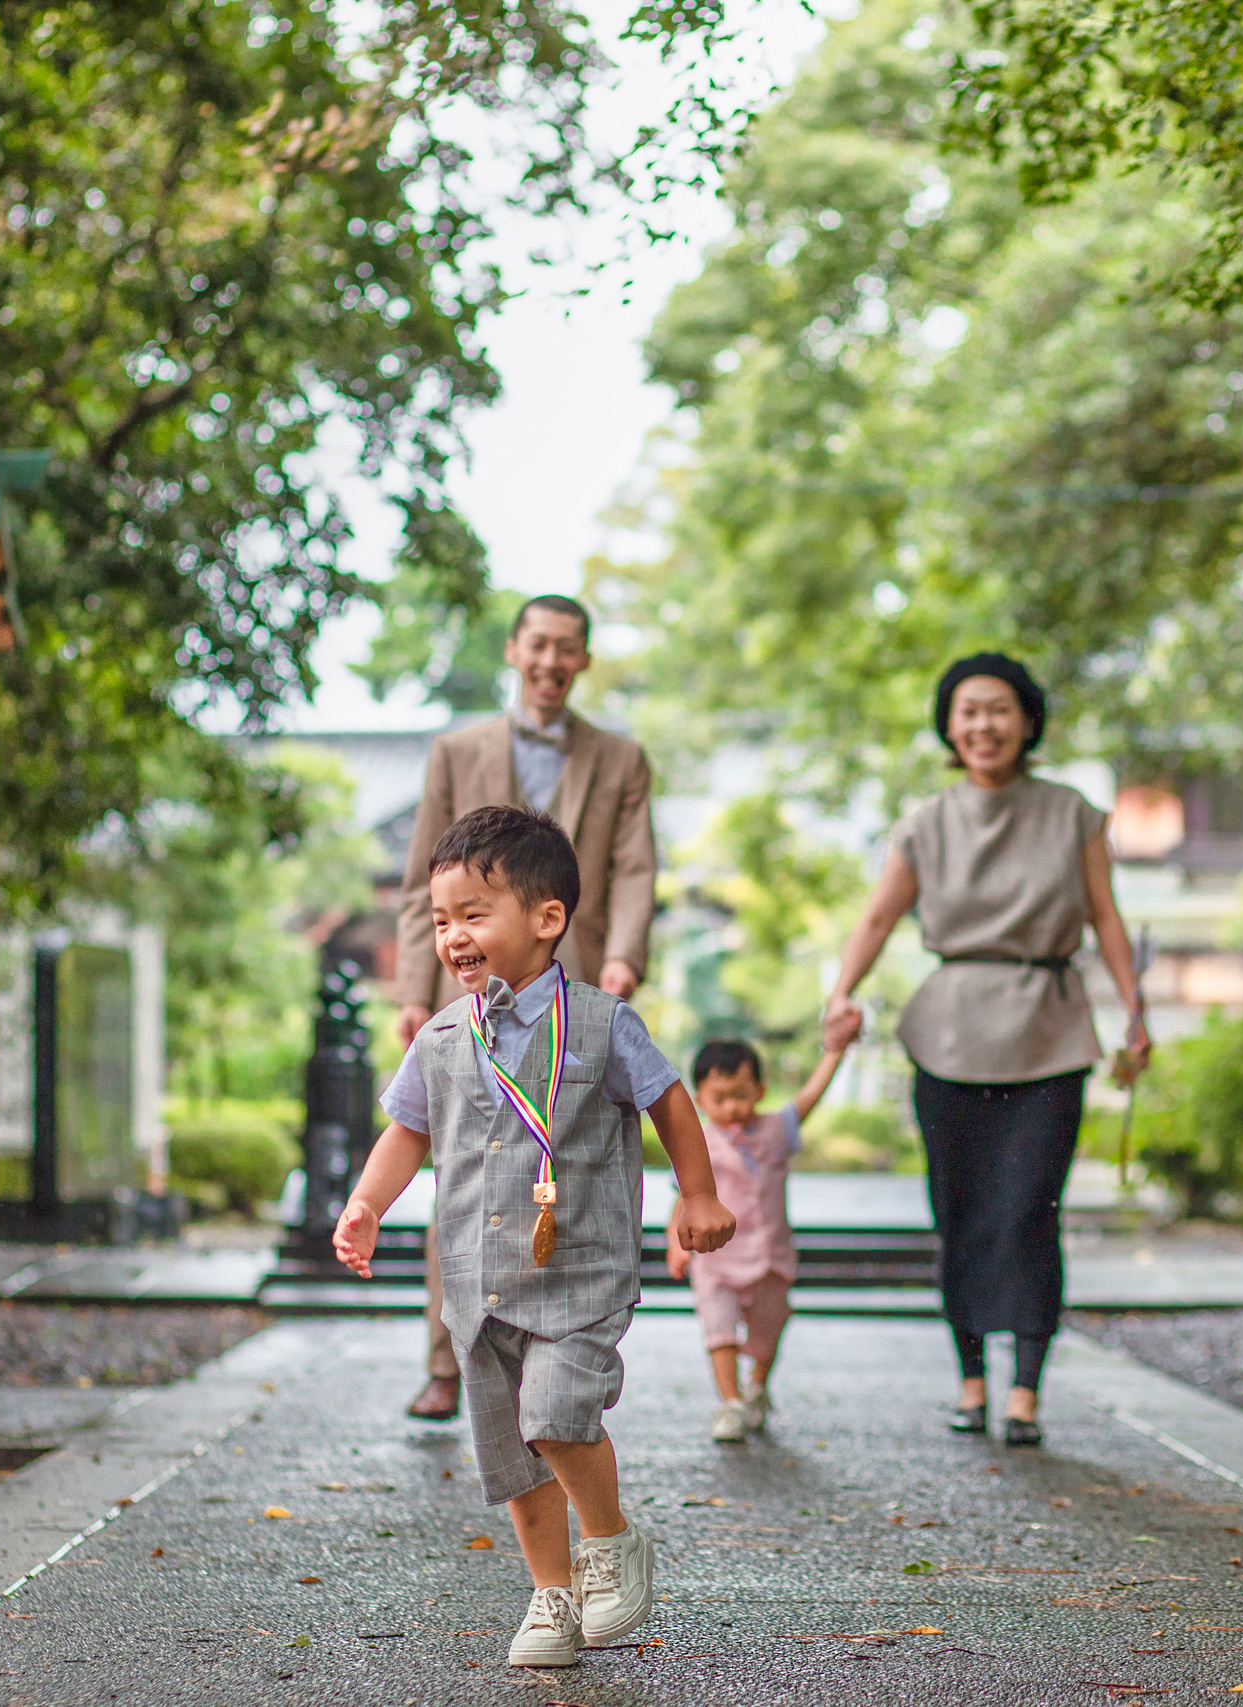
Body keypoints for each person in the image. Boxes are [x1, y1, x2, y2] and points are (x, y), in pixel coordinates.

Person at [336, 806, 733, 1667]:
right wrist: (367, 1202)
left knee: (556, 1414)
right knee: (514, 1457)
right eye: (442, 920)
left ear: (547, 918)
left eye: (474, 914)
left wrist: (695, 1192)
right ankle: (551, 1593)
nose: (453, 936)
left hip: (578, 1272)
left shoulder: (600, 1021)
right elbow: (407, 1130)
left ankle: (611, 1541)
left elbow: (669, 1097)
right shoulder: (444, 1035)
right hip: (479, 1287)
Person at [822, 653, 1150, 1448]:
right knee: (961, 1211)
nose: (983, 725)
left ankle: (1026, 1391)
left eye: (999, 709)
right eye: (967, 711)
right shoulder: (925, 821)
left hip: (1048, 1027)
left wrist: (1133, 1013)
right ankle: (971, 1381)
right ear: (949, 726)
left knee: (1030, 1208)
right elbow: (876, 918)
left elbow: (1106, 918)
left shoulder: (1074, 814)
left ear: (1028, 720)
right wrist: (841, 991)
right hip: (950, 1031)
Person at [393, 594, 659, 1422]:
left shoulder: (621, 756)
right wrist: (413, 991)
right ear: (514, 650)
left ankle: (566, 1343)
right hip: (467, 989)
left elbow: (636, 868)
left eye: (568, 649)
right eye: (538, 644)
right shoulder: (455, 748)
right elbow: (419, 883)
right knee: (464, 1176)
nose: (551, 661)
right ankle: (452, 1356)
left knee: (568, 1166)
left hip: (577, 987)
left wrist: (623, 956)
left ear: (583, 661)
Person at [667, 1036, 847, 1442]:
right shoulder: (699, 1141)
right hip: (715, 1261)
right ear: (700, 1100)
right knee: (719, 1331)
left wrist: (835, 1049)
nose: (732, 1107)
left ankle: (758, 1387)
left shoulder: (777, 1130)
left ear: (760, 1092)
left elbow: (811, 1096)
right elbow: (682, 1198)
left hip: (770, 1258)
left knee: (767, 1335)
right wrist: (676, 1242)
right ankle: (730, 1402)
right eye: (720, 1098)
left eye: (742, 1096)